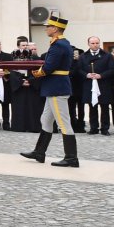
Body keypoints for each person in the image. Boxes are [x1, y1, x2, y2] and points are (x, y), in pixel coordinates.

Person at [21, 15, 79, 167]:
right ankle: (39, 152)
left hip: (56, 88)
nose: (46, 29)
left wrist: (33, 75)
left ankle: (71, 158)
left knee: (63, 123)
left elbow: (48, 67)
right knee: (46, 120)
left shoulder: (58, 45)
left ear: (55, 29)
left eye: (48, 27)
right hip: (54, 87)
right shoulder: (61, 43)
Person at [79, 35, 113, 135]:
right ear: (88, 44)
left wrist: (101, 75)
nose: (95, 45)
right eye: (92, 43)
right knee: (92, 106)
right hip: (89, 84)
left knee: (105, 107)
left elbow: (112, 69)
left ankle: (105, 128)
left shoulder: (107, 55)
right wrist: (86, 75)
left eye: (97, 43)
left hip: (103, 84)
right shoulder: (83, 56)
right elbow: (79, 69)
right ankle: (94, 128)